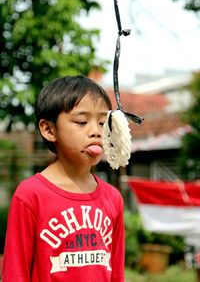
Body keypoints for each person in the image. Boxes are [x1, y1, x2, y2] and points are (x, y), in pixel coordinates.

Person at [3, 75, 125, 282]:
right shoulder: (31, 195)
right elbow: (15, 273)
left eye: (103, 122)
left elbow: (116, 273)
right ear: (49, 130)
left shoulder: (113, 198)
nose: (96, 131)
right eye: (81, 121)